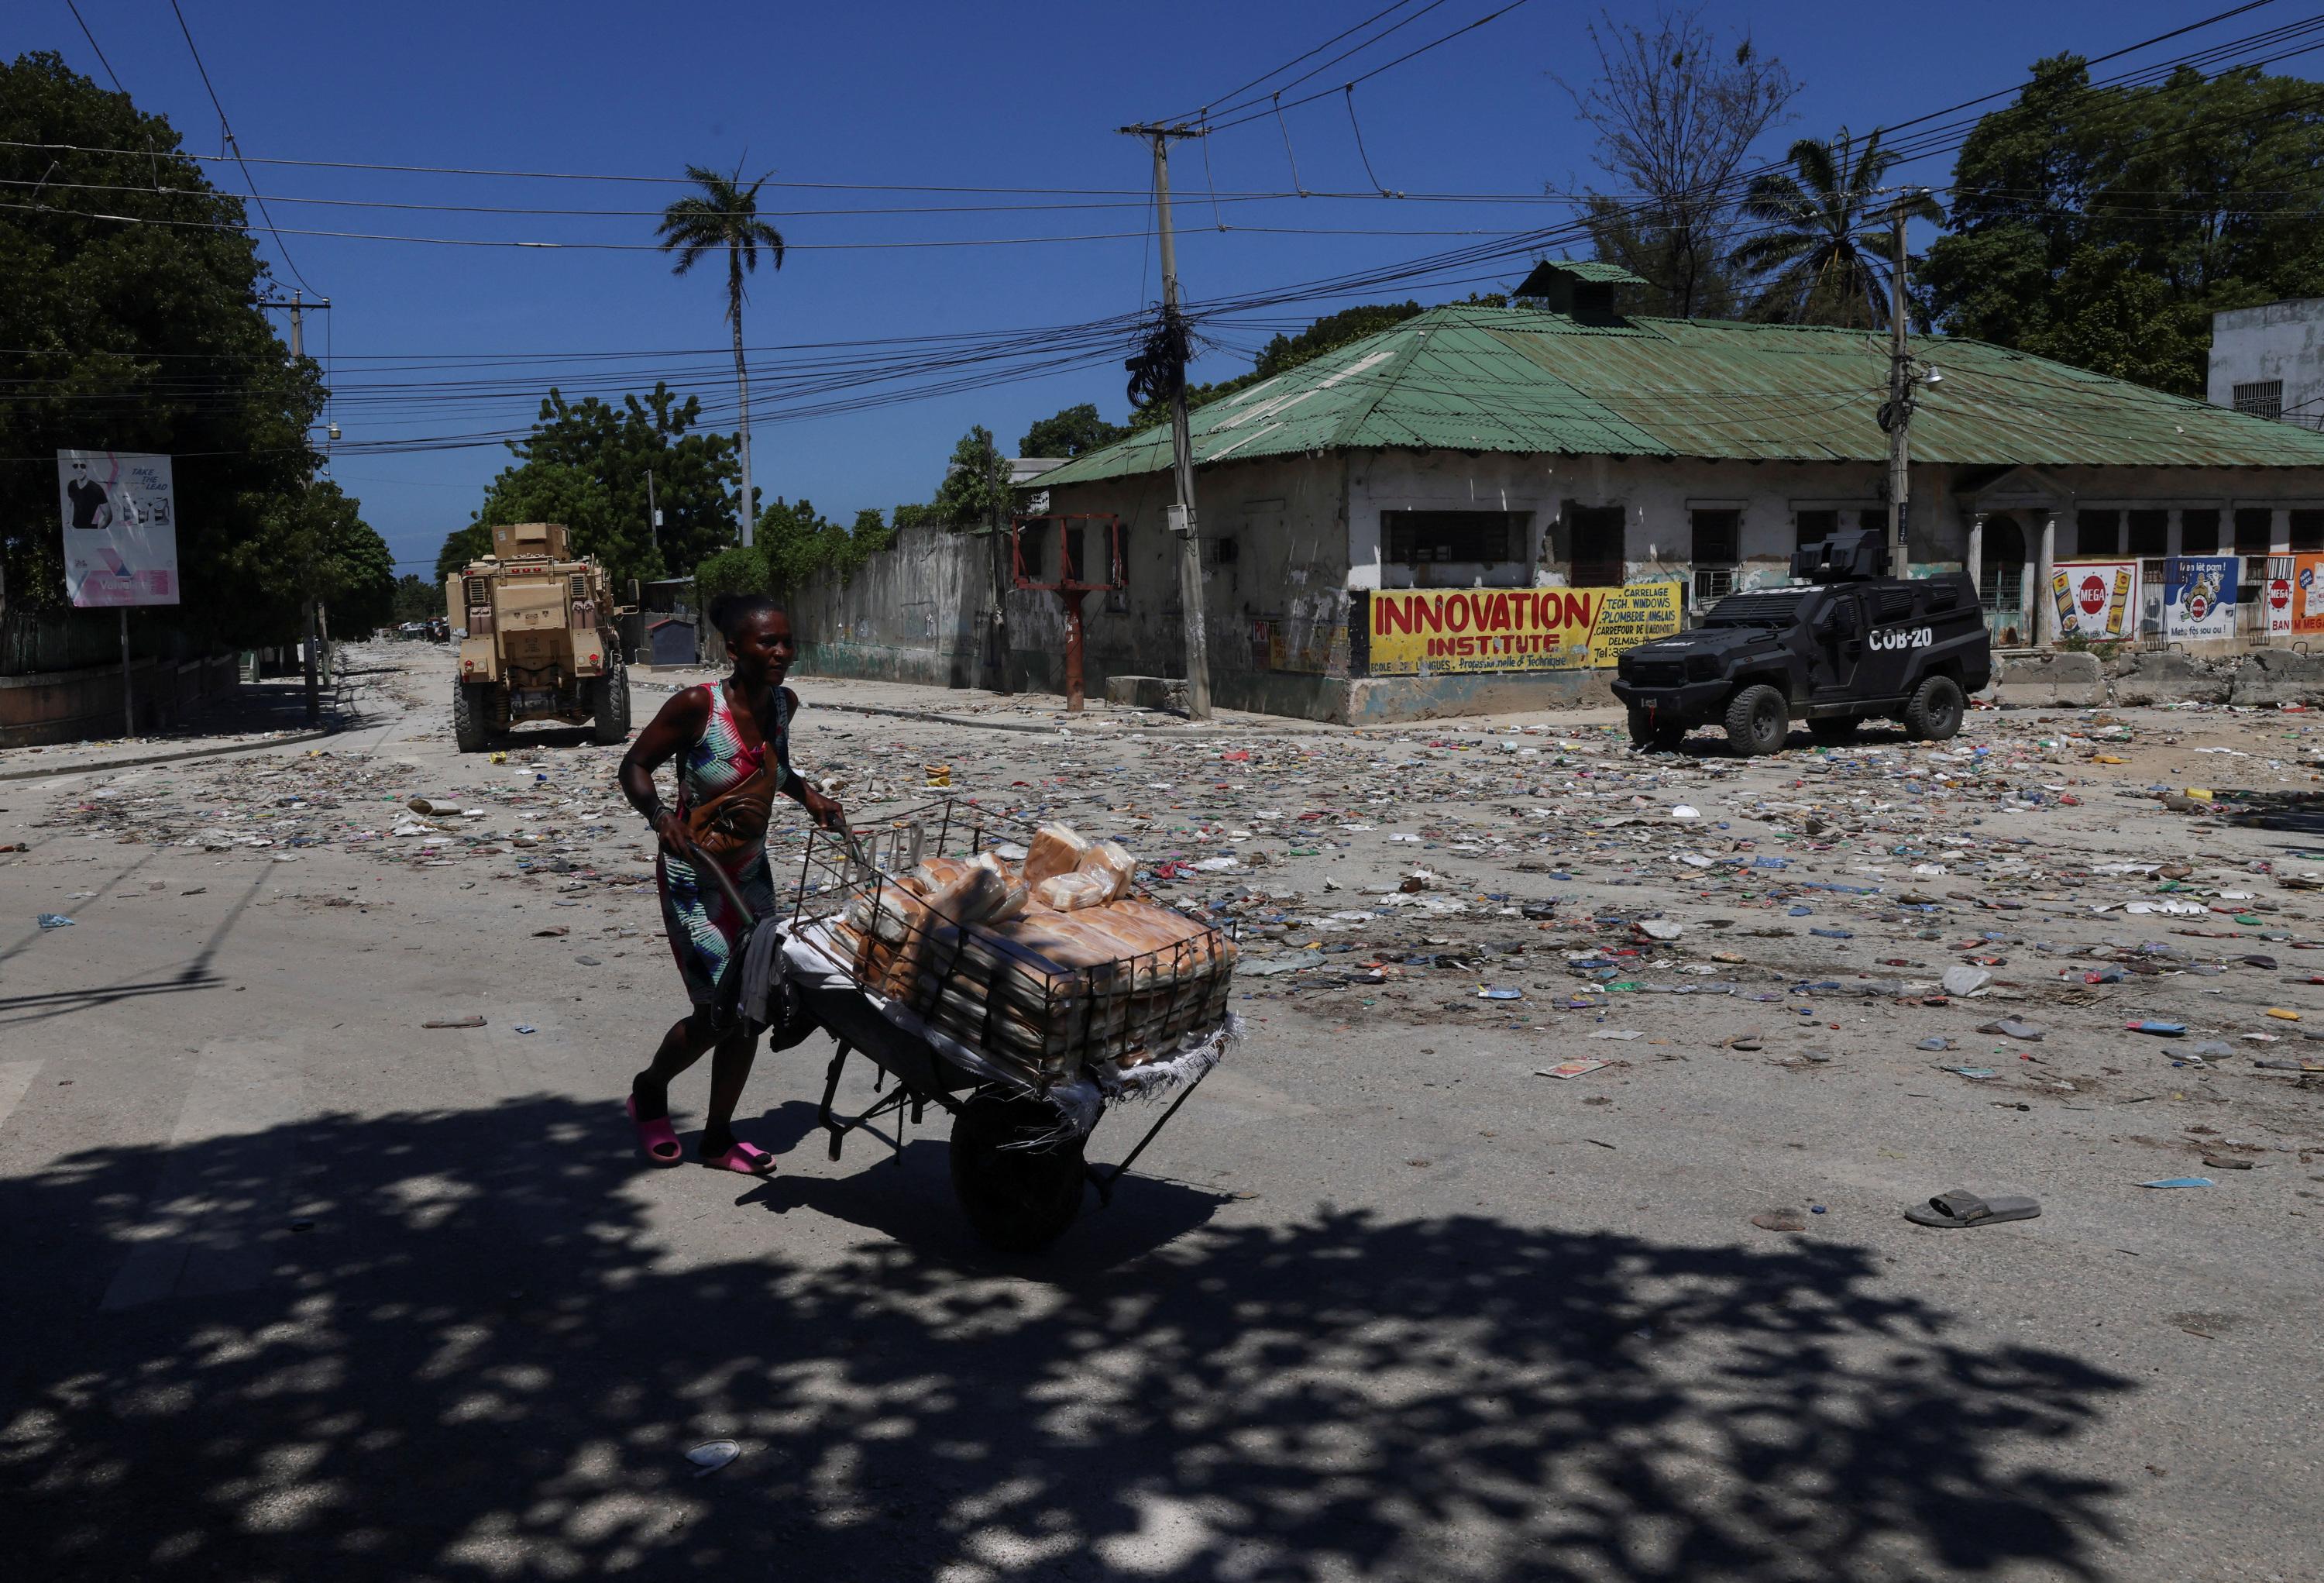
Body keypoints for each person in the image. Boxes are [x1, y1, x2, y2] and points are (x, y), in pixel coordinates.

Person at [618, 594, 844, 1174]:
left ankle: (718, 1138)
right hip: (694, 877)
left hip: (750, 876)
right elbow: (634, 765)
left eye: (786, 641)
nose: (780, 653)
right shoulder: (697, 706)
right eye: (767, 642)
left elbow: (776, 767)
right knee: (718, 1008)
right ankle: (649, 1089)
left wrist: (811, 796)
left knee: (753, 1006)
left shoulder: (782, 706)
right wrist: (659, 817)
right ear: (735, 648)